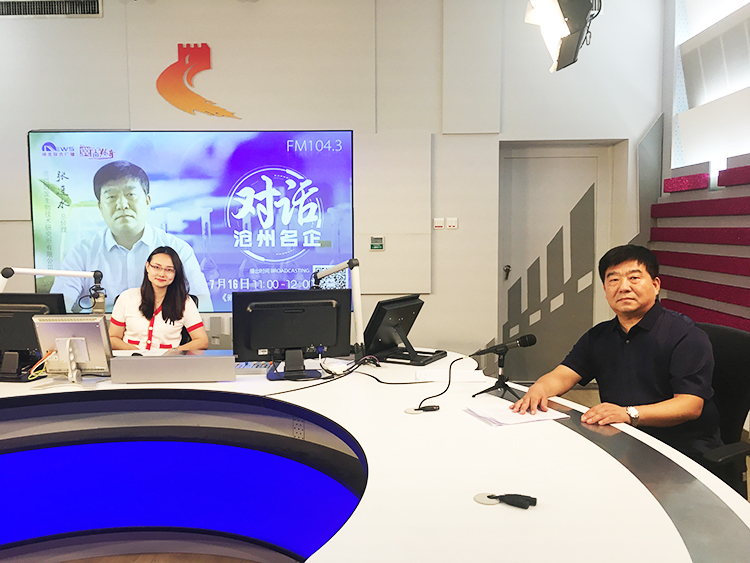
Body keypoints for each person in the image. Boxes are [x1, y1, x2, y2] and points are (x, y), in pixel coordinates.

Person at [511, 244, 722, 462]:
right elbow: (564, 374)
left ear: (655, 285)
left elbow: (690, 405)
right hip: (622, 442)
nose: (623, 287)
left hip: (681, 452)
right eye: (613, 280)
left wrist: (628, 413)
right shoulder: (599, 336)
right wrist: (539, 388)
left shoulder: (685, 334)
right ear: (605, 289)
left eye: (634, 278)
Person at [50, 160, 212, 312]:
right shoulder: (82, 253)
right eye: (111, 197)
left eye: (130, 194)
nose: (122, 204)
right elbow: (59, 305)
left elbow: (203, 303)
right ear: (100, 207)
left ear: (147, 201)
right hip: (102, 332)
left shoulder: (178, 249)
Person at [109, 246, 208, 351]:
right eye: (156, 267)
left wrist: (175, 351)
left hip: (167, 360)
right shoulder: (126, 297)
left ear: (176, 273)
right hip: (130, 358)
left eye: (169, 270)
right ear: (147, 267)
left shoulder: (184, 302)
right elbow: (112, 338)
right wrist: (133, 351)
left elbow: (202, 341)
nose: (161, 274)